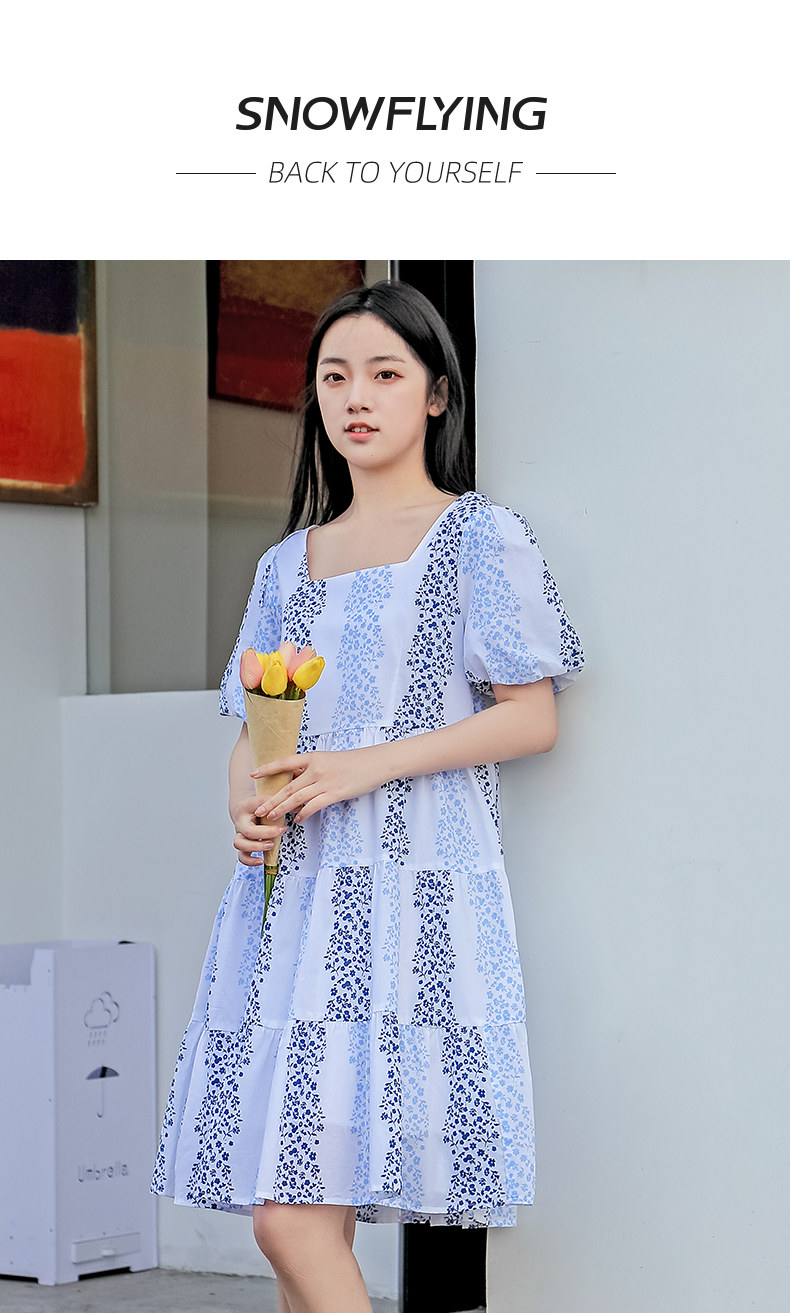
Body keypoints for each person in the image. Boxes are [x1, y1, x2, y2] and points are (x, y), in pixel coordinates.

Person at [152, 280, 584, 1313]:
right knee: (305, 1207)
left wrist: (367, 763)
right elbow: (252, 729)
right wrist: (244, 805)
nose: (356, 397)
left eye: (385, 374)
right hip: (293, 898)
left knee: (288, 1217)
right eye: (335, 375)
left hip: (414, 892)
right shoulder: (283, 565)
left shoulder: (480, 537)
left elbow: (531, 716)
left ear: (435, 394)